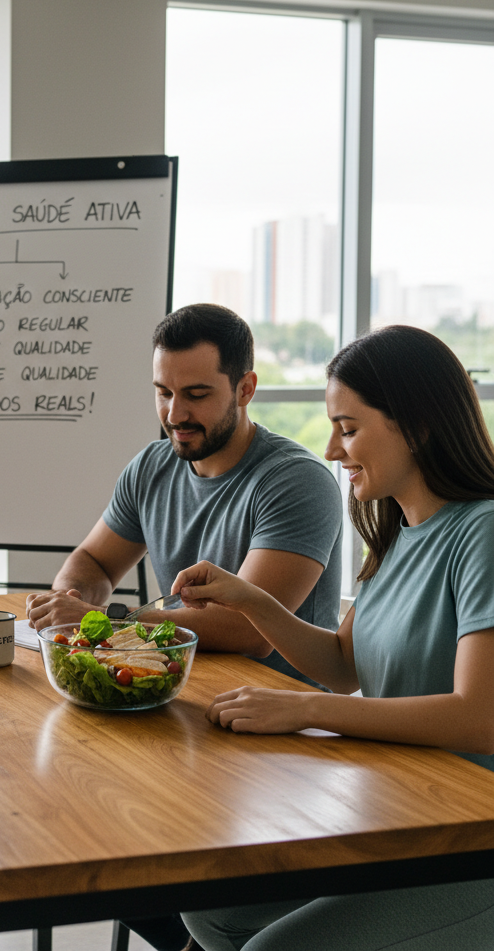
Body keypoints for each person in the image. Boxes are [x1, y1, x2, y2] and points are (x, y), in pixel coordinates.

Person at [170, 325, 494, 950]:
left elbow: (480, 718)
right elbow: (345, 664)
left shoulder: (481, 533)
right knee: (211, 914)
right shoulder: (397, 533)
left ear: (418, 425)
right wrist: (250, 599)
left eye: (347, 428)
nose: (332, 449)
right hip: (406, 815)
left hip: (472, 836)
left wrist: (310, 710)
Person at [26, 304, 343, 686]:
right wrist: (69, 604)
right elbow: (95, 560)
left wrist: (103, 617)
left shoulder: (297, 482)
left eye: (196, 394)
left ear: (245, 389)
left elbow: (250, 632)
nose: (175, 414)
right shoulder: (151, 467)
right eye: (164, 392)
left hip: (287, 716)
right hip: (179, 688)